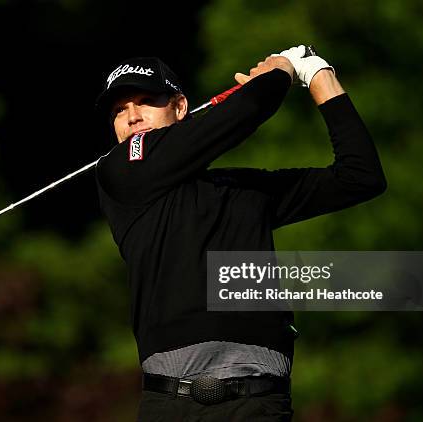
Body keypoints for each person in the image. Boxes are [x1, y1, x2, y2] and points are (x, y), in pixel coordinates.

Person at [94, 46, 386, 421]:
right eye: (119, 109)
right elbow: (248, 109)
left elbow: (360, 177)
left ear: (180, 107)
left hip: (259, 404)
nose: (132, 117)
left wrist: (316, 73)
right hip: (169, 405)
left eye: (147, 101)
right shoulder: (118, 172)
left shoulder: (243, 191)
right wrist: (281, 69)